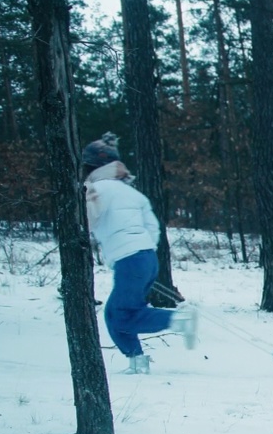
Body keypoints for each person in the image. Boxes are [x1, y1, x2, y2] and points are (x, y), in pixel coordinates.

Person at [82, 132, 197, 374]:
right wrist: (141, 251)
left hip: (130, 259)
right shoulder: (134, 193)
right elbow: (153, 228)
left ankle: (179, 321)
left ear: (92, 166)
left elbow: (89, 220)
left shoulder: (95, 188)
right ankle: (137, 363)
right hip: (145, 257)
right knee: (116, 313)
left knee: (121, 315)